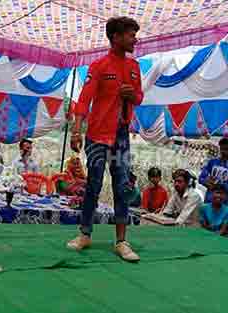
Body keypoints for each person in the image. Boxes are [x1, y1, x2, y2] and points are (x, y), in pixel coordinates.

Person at [68, 17, 143, 262]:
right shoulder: (99, 65)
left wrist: (132, 94)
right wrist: (77, 131)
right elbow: (84, 99)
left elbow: (139, 97)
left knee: (122, 185)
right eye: (131, 35)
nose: (135, 39)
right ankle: (85, 234)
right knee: (94, 184)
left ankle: (121, 241)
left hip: (121, 135)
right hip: (97, 135)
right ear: (116, 37)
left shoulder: (134, 67)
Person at [199, 137, 228, 204]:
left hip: (222, 201)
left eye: (227, 149)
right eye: (222, 149)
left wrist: (213, 183)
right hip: (209, 199)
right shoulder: (212, 162)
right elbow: (201, 178)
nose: (224, 152)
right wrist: (206, 182)